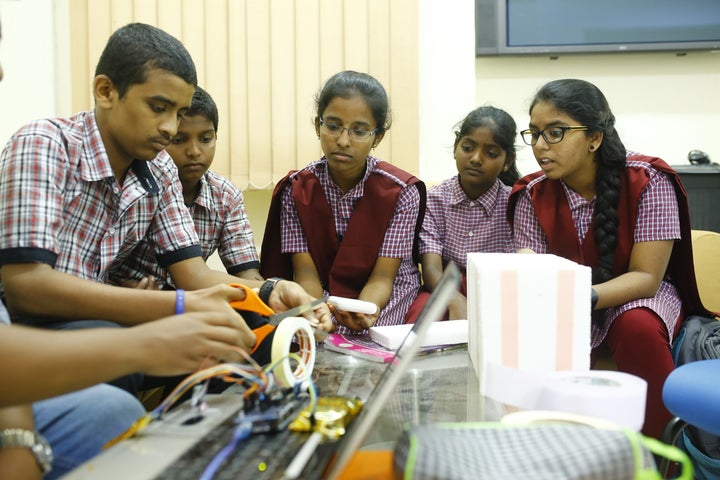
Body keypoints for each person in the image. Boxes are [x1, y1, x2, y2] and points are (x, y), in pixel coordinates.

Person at [0, 21, 275, 479]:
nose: (169, 128)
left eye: (179, 112)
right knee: (129, 347)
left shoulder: (157, 169)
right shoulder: (45, 144)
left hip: (93, 316)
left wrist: (269, 291)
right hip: (30, 322)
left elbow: (194, 273)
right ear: (106, 91)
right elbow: (27, 286)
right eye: (158, 108)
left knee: (249, 332)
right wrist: (177, 309)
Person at [507, 78, 712, 439]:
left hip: (634, 293)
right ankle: (553, 448)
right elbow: (531, 267)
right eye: (534, 133)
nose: (540, 146)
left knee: (637, 327)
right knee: (532, 335)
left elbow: (646, 277)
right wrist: (529, 271)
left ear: (594, 138)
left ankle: (662, 451)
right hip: (562, 300)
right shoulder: (531, 194)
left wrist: (584, 296)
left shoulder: (648, 180)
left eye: (555, 132)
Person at [260, 70, 426, 333]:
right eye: (333, 126)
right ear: (318, 125)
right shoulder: (296, 190)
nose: (343, 141)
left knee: (371, 341)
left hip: (384, 296)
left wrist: (365, 310)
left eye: (359, 131)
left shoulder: (401, 192)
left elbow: (383, 277)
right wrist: (316, 307)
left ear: (378, 137)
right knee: (312, 332)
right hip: (324, 295)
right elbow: (305, 274)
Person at [110, 86, 262, 290]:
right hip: (122, 298)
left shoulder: (226, 195)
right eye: (179, 140)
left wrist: (270, 290)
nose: (194, 151)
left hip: (190, 300)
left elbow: (247, 275)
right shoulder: (139, 185)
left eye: (205, 139)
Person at [419, 105, 520, 320]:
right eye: (467, 147)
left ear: (507, 162)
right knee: (421, 312)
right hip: (443, 288)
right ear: (456, 146)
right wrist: (456, 300)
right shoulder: (433, 199)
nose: (476, 158)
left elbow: (515, 272)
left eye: (491, 153)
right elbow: (431, 269)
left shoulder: (516, 202)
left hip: (497, 291)